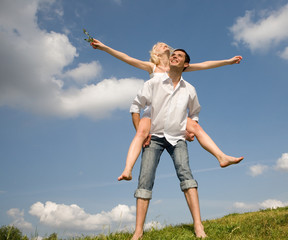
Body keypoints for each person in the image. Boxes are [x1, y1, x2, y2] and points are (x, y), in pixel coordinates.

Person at [91, 40, 244, 182]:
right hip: (154, 110)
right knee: (141, 133)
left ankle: (222, 157)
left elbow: (205, 64)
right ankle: (127, 169)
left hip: (174, 112)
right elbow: (126, 57)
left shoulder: (177, 66)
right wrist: (104, 47)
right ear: (155, 53)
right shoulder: (152, 67)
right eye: (159, 45)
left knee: (196, 127)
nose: (164, 45)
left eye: (165, 44)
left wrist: (228, 61)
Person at [130, 49, 206, 239]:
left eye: (179, 56)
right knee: (145, 180)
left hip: (176, 136)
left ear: (185, 65)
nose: (174, 56)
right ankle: (138, 231)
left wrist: (190, 129)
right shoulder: (154, 80)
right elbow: (135, 105)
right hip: (153, 135)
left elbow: (194, 112)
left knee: (186, 174)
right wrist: (141, 131)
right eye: (173, 54)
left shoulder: (189, 88)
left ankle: (199, 227)